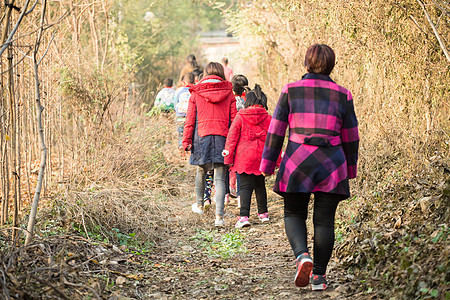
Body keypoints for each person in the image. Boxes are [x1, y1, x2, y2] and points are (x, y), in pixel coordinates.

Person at [259, 44, 359, 290]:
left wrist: (268, 164)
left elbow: (276, 130)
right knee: (324, 221)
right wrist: (350, 168)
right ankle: (319, 277)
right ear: (332, 66)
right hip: (332, 163)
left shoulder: (291, 90)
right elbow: (351, 135)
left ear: (306, 64)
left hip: (298, 160)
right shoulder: (343, 94)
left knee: (294, 213)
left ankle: (303, 256)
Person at [182, 62, 237, 226]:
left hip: (201, 137)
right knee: (220, 178)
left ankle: (199, 204)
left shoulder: (196, 93)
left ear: (205, 74)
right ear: (220, 74)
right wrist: (234, 143)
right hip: (223, 138)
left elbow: (190, 120)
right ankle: (219, 217)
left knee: (201, 170)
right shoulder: (229, 93)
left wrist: (186, 140)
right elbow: (234, 121)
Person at [223, 84, 276, 228]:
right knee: (260, 186)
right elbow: (274, 141)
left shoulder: (240, 116)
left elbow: (231, 138)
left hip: (244, 158)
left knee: (245, 187)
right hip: (262, 158)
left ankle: (244, 216)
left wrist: (228, 158)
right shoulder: (268, 118)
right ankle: (263, 214)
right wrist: (275, 161)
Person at [229, 74, 251, 203]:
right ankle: (239, 195)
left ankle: (230, 189)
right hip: (244, 138)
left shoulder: (230, 101)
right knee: (240, 166)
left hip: (231, 136)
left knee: (230, 164)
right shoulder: (248, 100)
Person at [174, 73, 195, 149]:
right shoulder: (195, 90)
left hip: (180, 116)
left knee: (180, 134)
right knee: (191, 136)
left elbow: (175, 104)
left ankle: (181, 150)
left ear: (184, 82)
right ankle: (189, 151)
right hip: (192, 118)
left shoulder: (179, 91)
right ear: (194, 81)